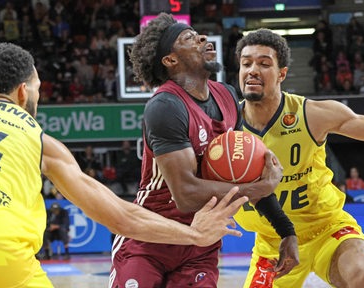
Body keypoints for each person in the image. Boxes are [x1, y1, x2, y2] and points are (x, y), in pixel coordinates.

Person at [0, 42, 249, 287]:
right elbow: (120, 217)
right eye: (37, 87)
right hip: (1, 270)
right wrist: (195, 235)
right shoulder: (39, 140)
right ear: (24, 91)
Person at [109, 13, 297, 288]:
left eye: (198, 34)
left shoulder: (229, 96)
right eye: (189, 38)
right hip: (151, 238)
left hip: (201, 244)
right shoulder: (165, 106)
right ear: (170, 60)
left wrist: (286, 231)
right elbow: (185, 195)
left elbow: (251, 175)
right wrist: (261, 188)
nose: (203, 39)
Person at [234, 28, 364, 288]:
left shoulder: (311, 114)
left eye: (264, 63)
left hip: (327, 229)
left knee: (363, 277)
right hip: (273, 243)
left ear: (282, 74)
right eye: (246, 63)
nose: (253, 70)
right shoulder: (225, 126)